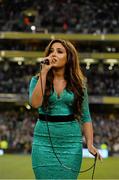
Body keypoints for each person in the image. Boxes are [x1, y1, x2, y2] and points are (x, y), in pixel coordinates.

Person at [29, 39, 102, 179]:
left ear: (69, 58)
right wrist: (44, 73)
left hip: (71, 144)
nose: (53, 54)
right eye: (51, 51)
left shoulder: (79, 85)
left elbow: (85, 116)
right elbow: (35, 104)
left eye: (59, 51)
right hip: (43, 143)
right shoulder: (36, 80)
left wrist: (90, 144)